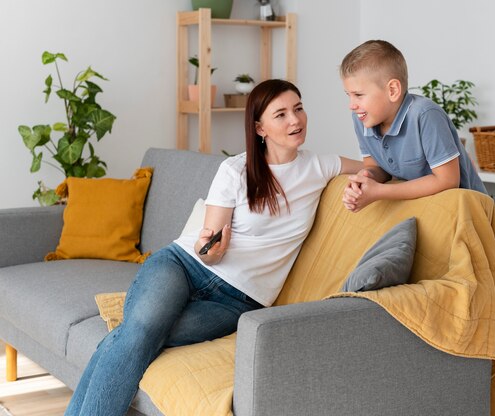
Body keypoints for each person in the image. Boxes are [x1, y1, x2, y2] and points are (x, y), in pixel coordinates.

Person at [65, 79, 362, 416]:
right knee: (141, 331)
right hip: (183, 266)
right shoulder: (235, 169)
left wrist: (366, 186)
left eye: (298, 109)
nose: (295, 120)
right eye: (280, 114)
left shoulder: (320, 166)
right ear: (259, 127)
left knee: (135, 336)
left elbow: (376, 168)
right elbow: (207, 239)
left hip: (237, 300)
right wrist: (211, 249)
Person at [339, 40, 487, 213]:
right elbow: (377, 167)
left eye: (358, 95)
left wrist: (379, 191)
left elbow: (447, 180)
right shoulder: (362, 119)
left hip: (462, 212)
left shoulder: (425, 115)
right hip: (422, 210)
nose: (351, 105)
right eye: (348, 95)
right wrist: (367, 178)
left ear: (393, 90)